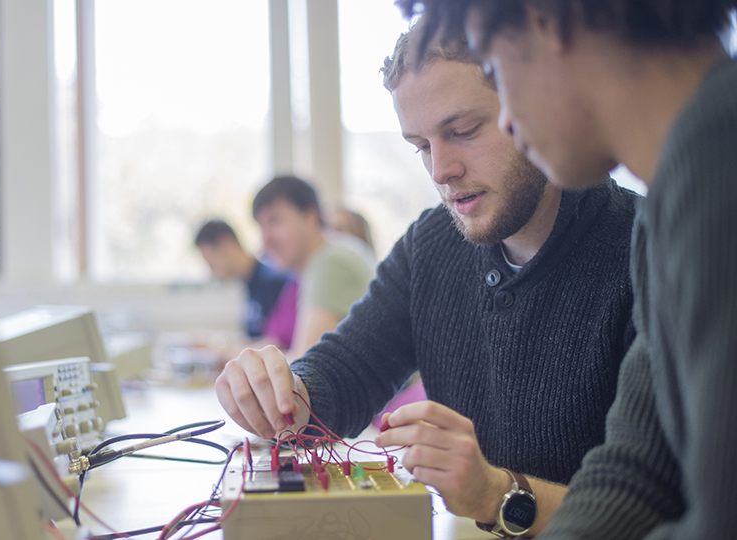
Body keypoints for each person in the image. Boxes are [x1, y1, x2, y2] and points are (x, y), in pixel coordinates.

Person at [216, 18, 640, 537]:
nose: (441, 170)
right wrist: (287, 394)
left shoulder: (644, 250)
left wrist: (492, 492)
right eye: (420, 145)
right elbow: (350, 367)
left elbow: (659, 509)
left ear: (531, 104)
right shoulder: (432, 242)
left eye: (462, 132)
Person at [400, 0, 737, 538]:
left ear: (547, 22)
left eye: (497, 66)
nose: (508, 116)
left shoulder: (720, 174)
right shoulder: (675, 198)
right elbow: (633, 477)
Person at [251, 175, 375, 357]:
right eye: (261, 227)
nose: (265, 241)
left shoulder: (331, 261)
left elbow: (305, 364)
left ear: (310, 217)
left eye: (274, 221)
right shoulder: (315, 264)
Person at [195, 218, 297, 349]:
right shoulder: (249, 282)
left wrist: (215, 344)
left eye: (210, 260)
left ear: (225, 244)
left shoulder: (273, 281)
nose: (212, 271)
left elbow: (277, 344)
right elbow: (254, 339)